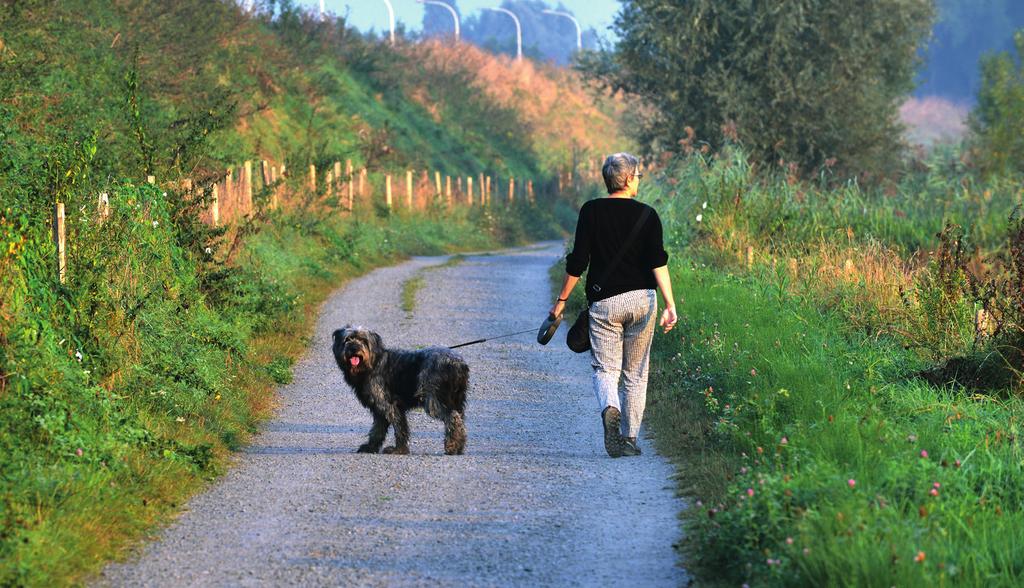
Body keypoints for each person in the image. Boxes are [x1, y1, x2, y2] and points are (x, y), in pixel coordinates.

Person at [551, 152, 677, 458]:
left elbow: (577, 262)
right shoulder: (648, 215)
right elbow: (658, 263)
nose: (639, 181)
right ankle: (630, 439)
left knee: (606, 369)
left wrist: (560, 303)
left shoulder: (591, 211)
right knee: (636, 373)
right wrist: (671, 305)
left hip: (604, 302)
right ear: (629, 178)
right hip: (642, 301)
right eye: (638, 176)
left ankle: (610, 407)